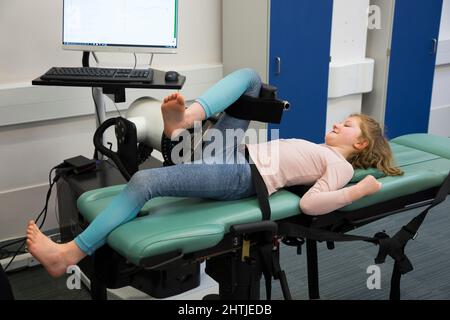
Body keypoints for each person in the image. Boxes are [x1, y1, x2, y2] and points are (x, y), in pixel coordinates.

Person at [26, 68, 402, 277]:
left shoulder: (337, 165)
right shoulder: (323, 151)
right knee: (252, 79)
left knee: (144, 181)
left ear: (360, 146)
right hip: (230, 154)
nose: (339, 124)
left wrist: (358, 191)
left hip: (241, 175)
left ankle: (70, 255)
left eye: (348, 125)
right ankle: (188, 118)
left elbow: (313, 203)